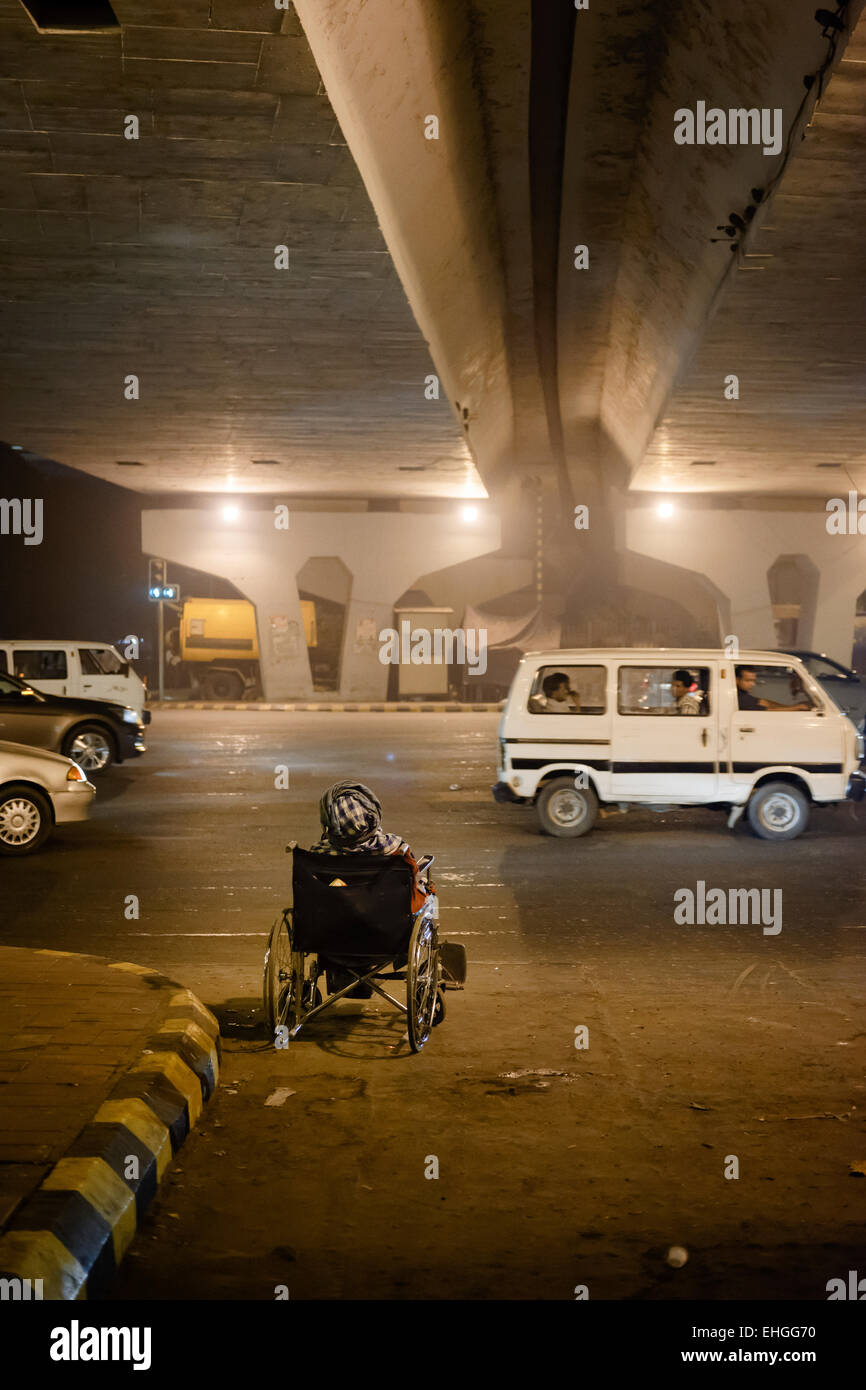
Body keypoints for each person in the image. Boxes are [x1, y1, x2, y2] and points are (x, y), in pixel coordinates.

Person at [310, 780, 429, 912]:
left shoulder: (317, 854)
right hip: (384, 916)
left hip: (334, 917)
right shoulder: (395, 848)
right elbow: (411, 874)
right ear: (370, 815)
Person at [735, 665, 811, 712]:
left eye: (753, 680)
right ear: (736, 680)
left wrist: (789, 707)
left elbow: (763, 702)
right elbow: (767, 711)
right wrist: (796, 708)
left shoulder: (742, 694)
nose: (752, 684)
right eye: (748, 680)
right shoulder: (737, 697)